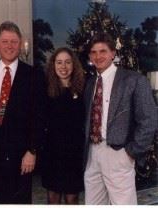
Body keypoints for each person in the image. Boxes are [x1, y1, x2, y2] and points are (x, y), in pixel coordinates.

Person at [83, 33, 158, 205]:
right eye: (93, 52)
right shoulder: (90, 84)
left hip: (119, 153)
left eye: (103, 51)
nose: (98, 56)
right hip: (92, 154)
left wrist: (131, 151)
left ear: (112, 54)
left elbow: (149, 119)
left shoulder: (133, 80)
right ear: (89, 56)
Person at [0, 21, 46, 204]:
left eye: (14, 42)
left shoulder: (33, 75)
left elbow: (39, 116)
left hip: (21, 155)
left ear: (20, 44)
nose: (9, 46)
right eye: (5, 41)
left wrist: (32, 150)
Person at [41, 47, 85, 204]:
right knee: (53, 198)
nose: (63, 67)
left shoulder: (83, 88)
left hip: (74, 154)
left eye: (67, 62)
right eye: (59, 62)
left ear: (74, 65)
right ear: (53, 65)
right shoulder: (44, 89)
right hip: (52, 153)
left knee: (72, 198)